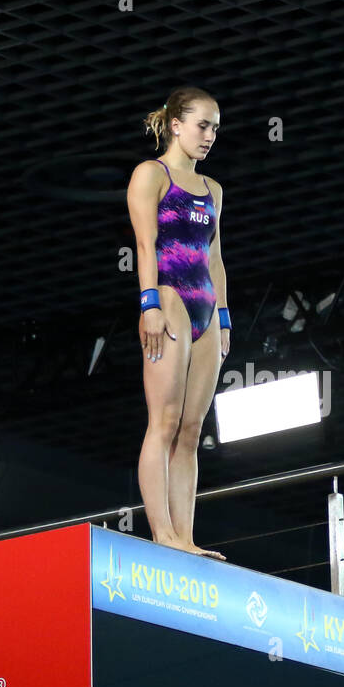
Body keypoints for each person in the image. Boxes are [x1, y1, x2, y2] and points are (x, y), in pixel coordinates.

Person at [125, 87, 229, 559]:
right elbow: (146, 245)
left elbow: (216, 259)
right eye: (202, 125)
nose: (209, 136)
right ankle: (161, 534)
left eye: (215, 128)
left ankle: (185, 538)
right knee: (163, 422)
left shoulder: (214, 190)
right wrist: (148, 304)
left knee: (192, 430)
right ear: (176, 124)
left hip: (206, 307)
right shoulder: (152, 174)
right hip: (169, 297)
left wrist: (224, 318)